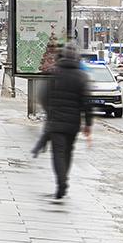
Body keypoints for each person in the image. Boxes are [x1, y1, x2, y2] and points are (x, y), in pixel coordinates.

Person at [40, 41, 93, 200]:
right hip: (73, 123)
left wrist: (49, 111)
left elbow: (44, 97)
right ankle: (64, 179)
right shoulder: (82, 77)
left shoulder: (55, 73)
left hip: (55, 121)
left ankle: (61, 181)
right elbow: (87, 102)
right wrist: (88, 124)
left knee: (58, 152)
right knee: (68, 151)